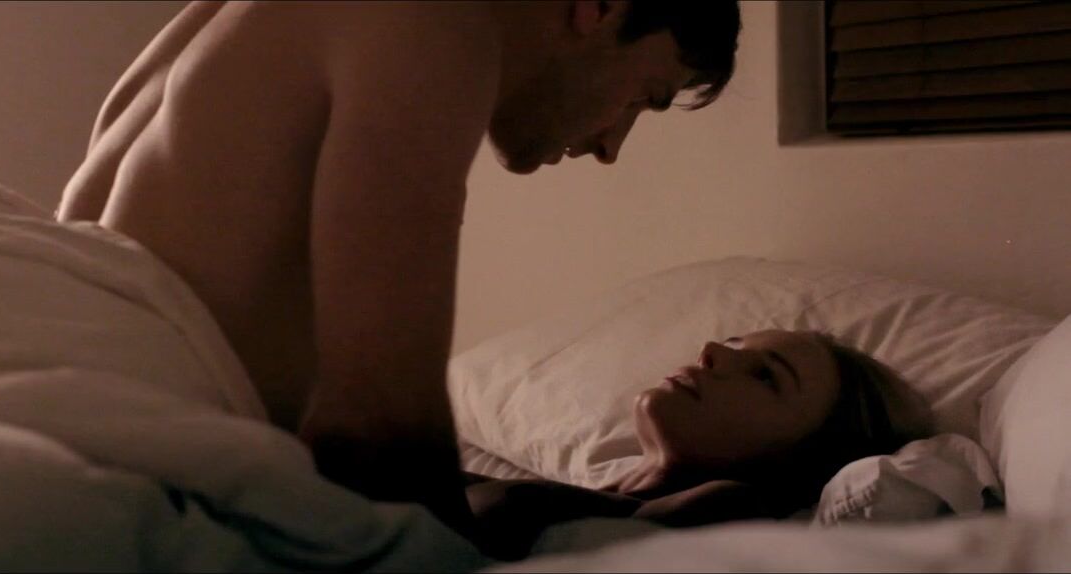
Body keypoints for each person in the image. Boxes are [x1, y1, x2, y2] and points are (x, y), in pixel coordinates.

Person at [55, 0, 742, 537]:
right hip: (104, 472)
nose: (612, 146)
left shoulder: (230, 19)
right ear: (602, 7)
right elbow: (378, 426)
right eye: (646, 96)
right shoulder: (438, 29)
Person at [463, 329, 934, 559]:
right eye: (734, 343)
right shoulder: (609, 502)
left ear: (804, 458)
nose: (712, 351)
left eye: (765, 376)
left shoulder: (729, 508)